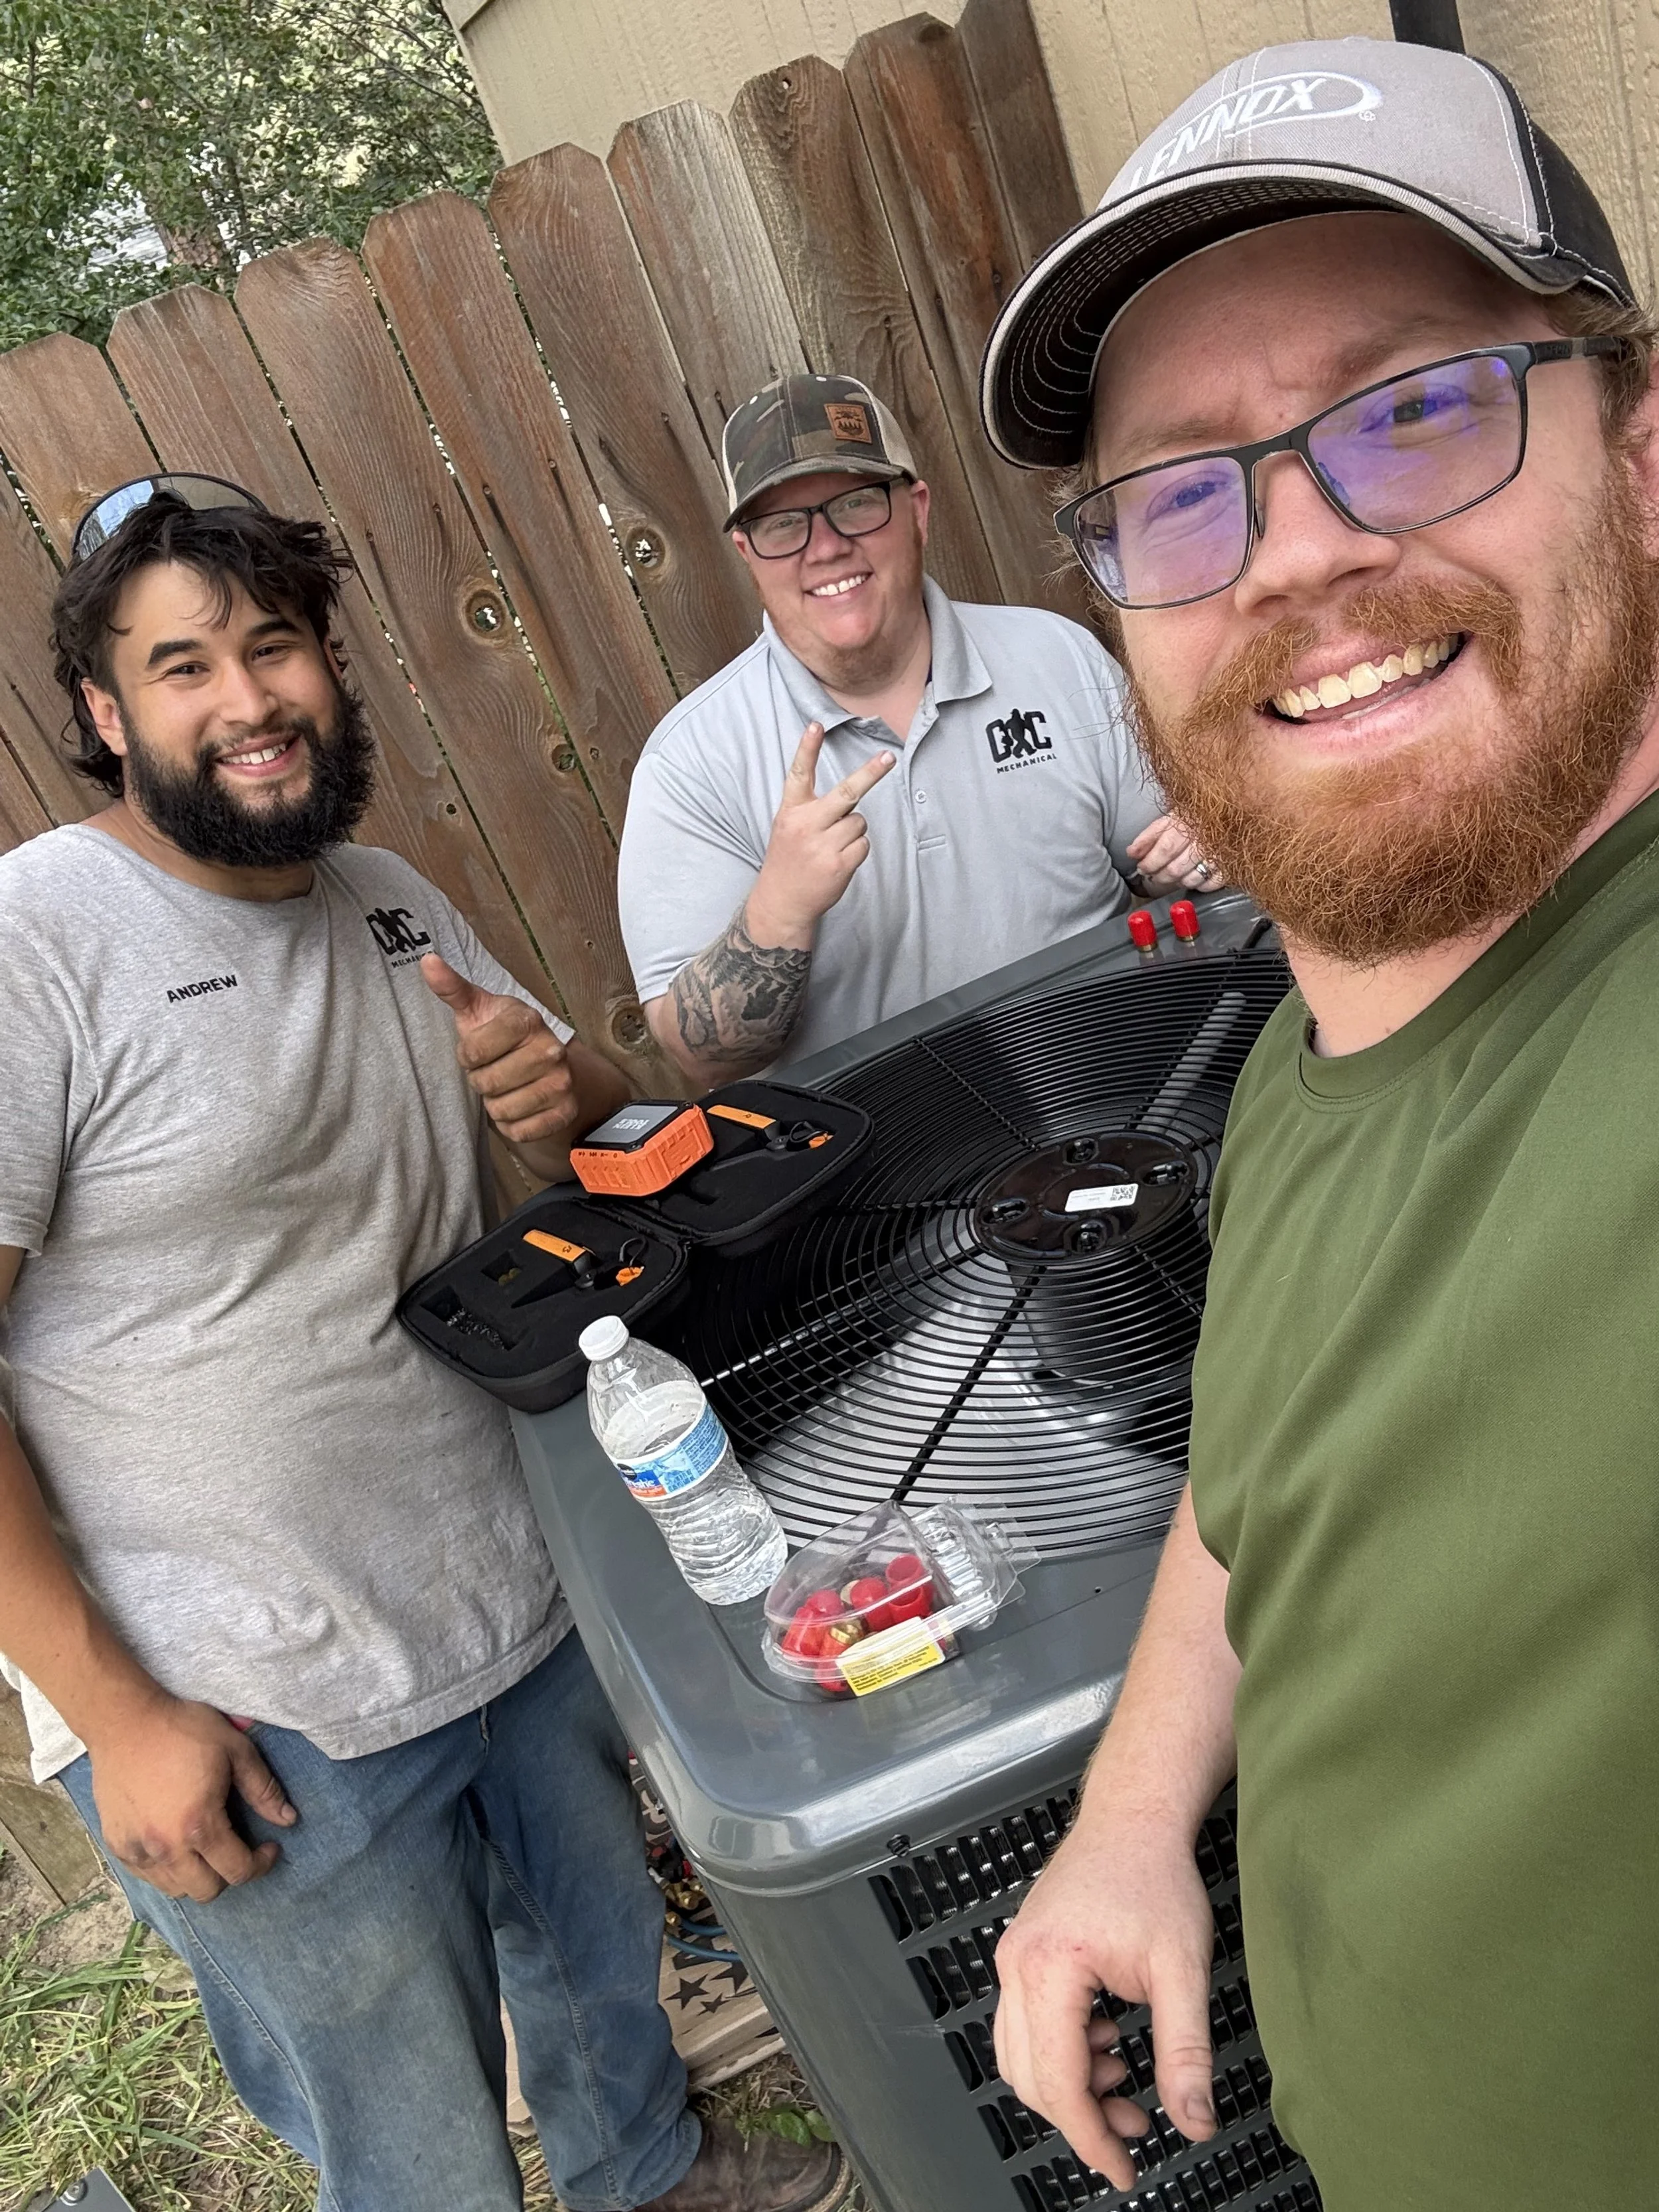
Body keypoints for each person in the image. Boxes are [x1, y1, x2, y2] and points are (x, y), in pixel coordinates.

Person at [978, 35, 1659, 2212]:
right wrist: (1124, 1812)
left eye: (1416, 410)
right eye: (1182, 488)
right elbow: (1269, 1474)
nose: (1294, 550)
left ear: (1643, 460)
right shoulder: (1300, 1062)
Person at [0, 478, 849, 2212]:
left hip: (511, 1596)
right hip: (253, 1693)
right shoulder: (38, 947)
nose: (247, 700)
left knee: (604, 1971)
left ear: (327, 660)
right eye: (181, 666)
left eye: (274, 644)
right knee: (413, 2139)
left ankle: (650, 2177)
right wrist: (111, 1708)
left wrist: (571, 1091)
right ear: (105, 714)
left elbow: (586, 1123)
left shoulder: (386, 894)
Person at [616, 373, 1215, 1083]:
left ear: (917, 510)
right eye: (783, 524)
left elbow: (1177, 859)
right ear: (748, 555)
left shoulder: (1058, 658)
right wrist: (779, 908)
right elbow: (702, 1056)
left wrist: (1200, 849)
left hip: (1125, 1090)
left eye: (857, 504)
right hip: (884, 1169)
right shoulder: (691, 764)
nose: (826, 546)